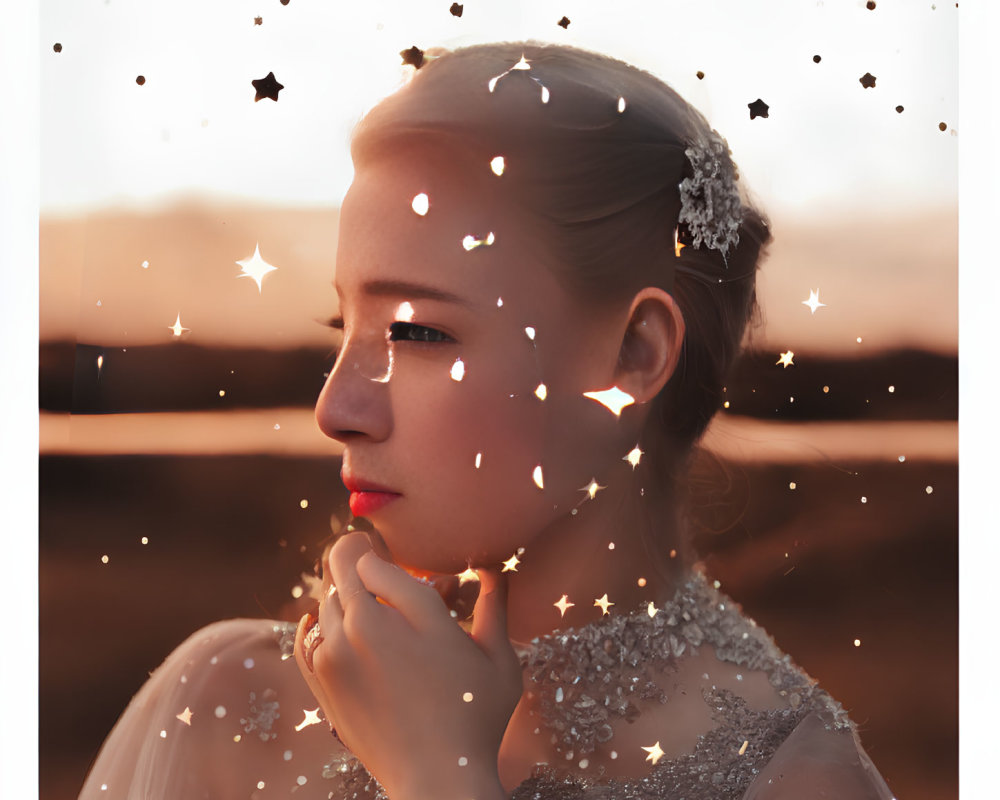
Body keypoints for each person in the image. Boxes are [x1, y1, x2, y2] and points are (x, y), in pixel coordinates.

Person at [79, 41, 894, 799]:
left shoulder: (794, 778)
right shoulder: (224, 697)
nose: (337, 409)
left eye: (417, 333)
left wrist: (440, 775)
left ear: (637, 353)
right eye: (346, 332)